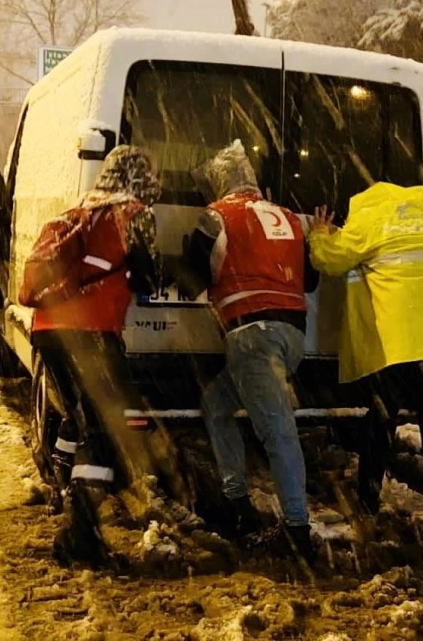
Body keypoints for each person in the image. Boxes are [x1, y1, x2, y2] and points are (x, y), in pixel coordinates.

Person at [178, 141, 320, 561]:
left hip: (250, 336)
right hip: (292, 336)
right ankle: (236, 500)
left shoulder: (218, 215)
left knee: (278, 433)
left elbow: (193, 277)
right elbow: (309, 281)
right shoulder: (289, 218)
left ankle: (297, 532)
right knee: (216, 405)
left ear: (220, 180)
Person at [24, 145, 161, 567]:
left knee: (77, 416)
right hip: (93, 330)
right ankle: (79, 534)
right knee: (102, 431)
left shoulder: (76, 211)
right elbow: (147, 279)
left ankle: (62, 488)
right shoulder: (135, 214)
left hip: (48, 329)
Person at [307, 181, 423, 533]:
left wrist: (321, 233)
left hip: (400, 343)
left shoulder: (372, 221)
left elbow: (329, 260)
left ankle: (367, 506)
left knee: (379, 424)